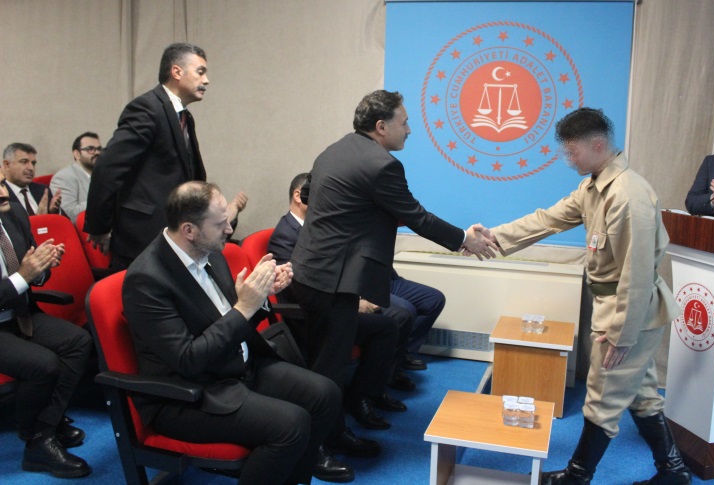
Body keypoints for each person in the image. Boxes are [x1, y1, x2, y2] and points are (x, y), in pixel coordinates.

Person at [477, 108, 691, 485]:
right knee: (642, 394)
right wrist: (493, 238)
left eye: (572, 151)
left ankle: (577, 477)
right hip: (617, 307)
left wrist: (622, 335)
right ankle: (673, 471)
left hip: (629, 314)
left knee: (601, 400)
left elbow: (637, 276)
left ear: (597, 145)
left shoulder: (628, 196)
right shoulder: (594, 187)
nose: (568, 159)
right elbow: (548, 219)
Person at [290, 90, 497, 471]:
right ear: (381, 127)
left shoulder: (334, 150)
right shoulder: (382, 165)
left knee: (329, 363)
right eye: (404, 122)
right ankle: (313, 452)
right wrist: (463, 239)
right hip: (330, 279)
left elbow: (309, 194)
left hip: (314, 272)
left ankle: (335, 434)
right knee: (327, 369)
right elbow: (416, 216)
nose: (410, 130)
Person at [122, 181, 341, 485]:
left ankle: (288, 477)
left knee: (326, 394)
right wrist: (244, 307)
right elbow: (188, 360)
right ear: (189, 230)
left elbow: (232, 319)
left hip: (235, 365)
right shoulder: (147, 279)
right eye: (220, 223)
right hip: (189, 395)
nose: (229, 229)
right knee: (291, 425)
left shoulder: (210, 251)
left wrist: (260, 296)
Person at [269, 172, 410, 480]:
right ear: (300, 196)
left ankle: (358, 399)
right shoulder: (284, 235)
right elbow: (296, 288)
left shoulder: (318, 229)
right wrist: (351, 301)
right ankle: (320, 444)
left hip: (332, 310)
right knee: (331, 360)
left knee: (386, 327)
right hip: (305, 319)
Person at [84, 42, 247, 270]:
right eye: (200, 72)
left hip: (174, 234)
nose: (206, 80)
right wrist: (99, 227)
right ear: (177, 72)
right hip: (142, 237)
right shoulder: (147, 108)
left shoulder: (184, 117)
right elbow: (107, 168)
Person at [0, 170, 92, 478]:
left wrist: (41, 267)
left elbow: (31, 271)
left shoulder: (13, 214)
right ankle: (39, 440)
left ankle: (44, 428)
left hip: (20, 314)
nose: (4, 194)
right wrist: (23, 276)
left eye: (1, 184)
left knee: (78, 341)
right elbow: (21, 276)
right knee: (43, 364)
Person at [49, 132, 103, 222]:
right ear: (77, 154)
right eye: (90, 149)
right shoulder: (64, 177)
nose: (97, 152)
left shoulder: (104, 174)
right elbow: (68, 215)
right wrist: (102, 198)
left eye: (99, 149)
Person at [2, 143, 63, 215]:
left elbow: (66, 220)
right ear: (7, 165)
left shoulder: (43, 190)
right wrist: (39, 218)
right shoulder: (2, 195)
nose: (31, 168)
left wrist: (53, 211)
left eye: (33, 163)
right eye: (24, 162)